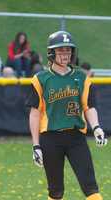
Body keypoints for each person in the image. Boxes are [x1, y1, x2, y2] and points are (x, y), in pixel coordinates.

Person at [26, 31, 108, 200]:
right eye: (61, 50)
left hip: (76, 137)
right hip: (50, 138)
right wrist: (36, 145)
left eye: (68, 50)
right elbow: (35, 114)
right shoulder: (40, 79)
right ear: (51, 53)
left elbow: (89, 107)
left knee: (91, 187)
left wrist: (97, 126)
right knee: (55, 192)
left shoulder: (81, 77)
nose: (65, 54)